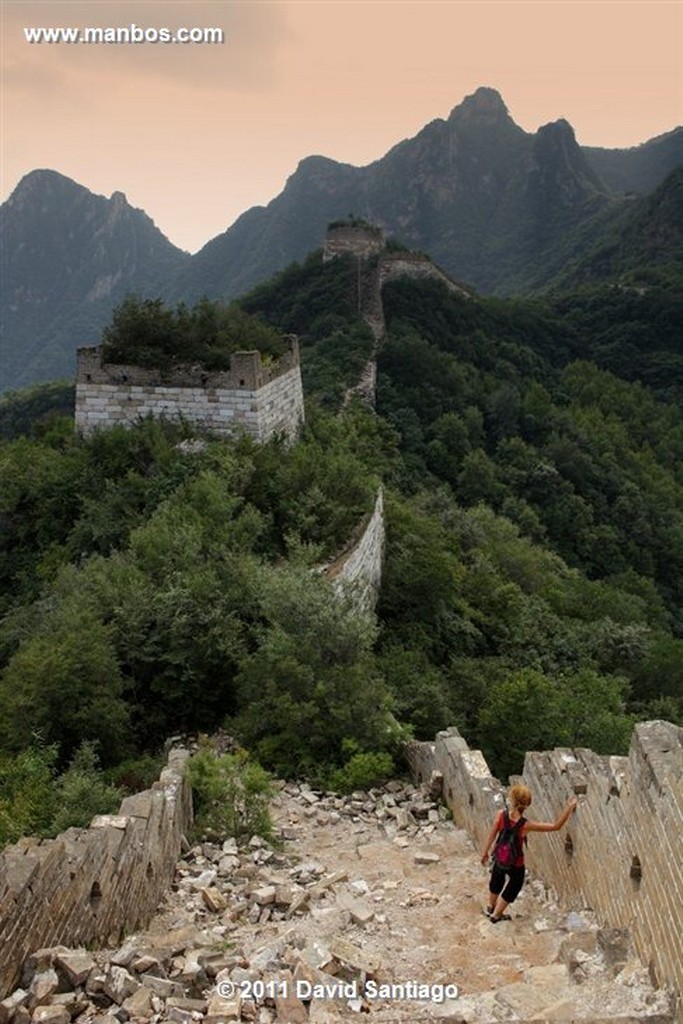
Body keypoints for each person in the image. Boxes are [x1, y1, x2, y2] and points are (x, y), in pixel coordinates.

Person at [480, 784, 577, 923]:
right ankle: (496, 915)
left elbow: (492, 835)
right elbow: (555, 826)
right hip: (516, 863)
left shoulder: (501, 815)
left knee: (497, 878)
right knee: (514, 885)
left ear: (512, 799)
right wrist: (569, 808)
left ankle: (491, 907)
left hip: (500, 856)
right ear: (527, 805)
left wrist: (485, 853)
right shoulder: (526, 825)